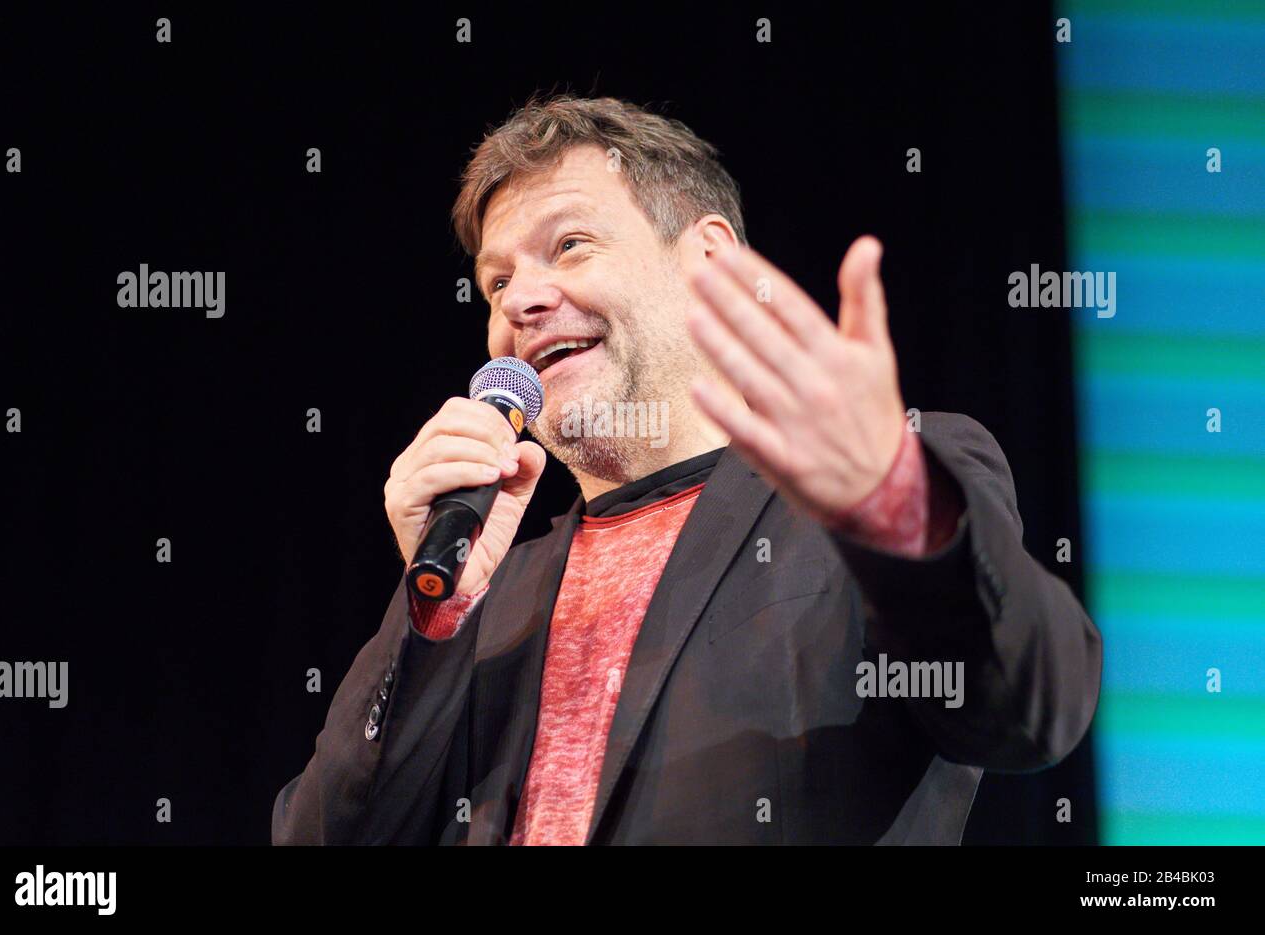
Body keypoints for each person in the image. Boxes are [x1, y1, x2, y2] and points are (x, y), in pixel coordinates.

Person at [272, 94, 1102, 845]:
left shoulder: (875, 500)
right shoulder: (492, 596)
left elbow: (1033, 711)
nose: (520, 301)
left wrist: (892, 502)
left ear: (707, 258)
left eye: (568, 245)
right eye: (496, 282)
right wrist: (435, 616)